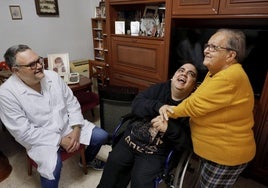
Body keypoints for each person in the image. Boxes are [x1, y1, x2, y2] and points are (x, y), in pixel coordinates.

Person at [152, 29, 256, 187]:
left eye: (214, 47)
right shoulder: (214, 72)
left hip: (225, 154)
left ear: (230, 55)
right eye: (207, 45)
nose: (206, 50)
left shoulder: (230, 77)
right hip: (215, 149)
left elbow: (195, 105)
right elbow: (196, 97)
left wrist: (168, 111)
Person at [0, 44, 109, 188]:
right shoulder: (6, 94)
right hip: (41, 139)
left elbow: (72, 103)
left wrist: (76, 129)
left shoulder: (52, 76)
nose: (39, 66)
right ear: (15, 70)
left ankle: (86, 160)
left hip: (67, 126)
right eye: (32, 65)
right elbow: (23, 132)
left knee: (102, 136)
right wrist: (59, 140)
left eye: (39, 60)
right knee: (52, 169)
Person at [97, 63, 198, 188]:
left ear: (193, 86)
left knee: (141, 182)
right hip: (129, 141)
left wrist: (169, 128)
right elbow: (136, 104)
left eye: (190, 74)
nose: (184, 73)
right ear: (173, 77)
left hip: (154, 154)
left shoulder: (192, 108)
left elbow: (187, 143)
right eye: (181, 70)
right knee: (111, 171)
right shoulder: (159, 89)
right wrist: (158, 106)